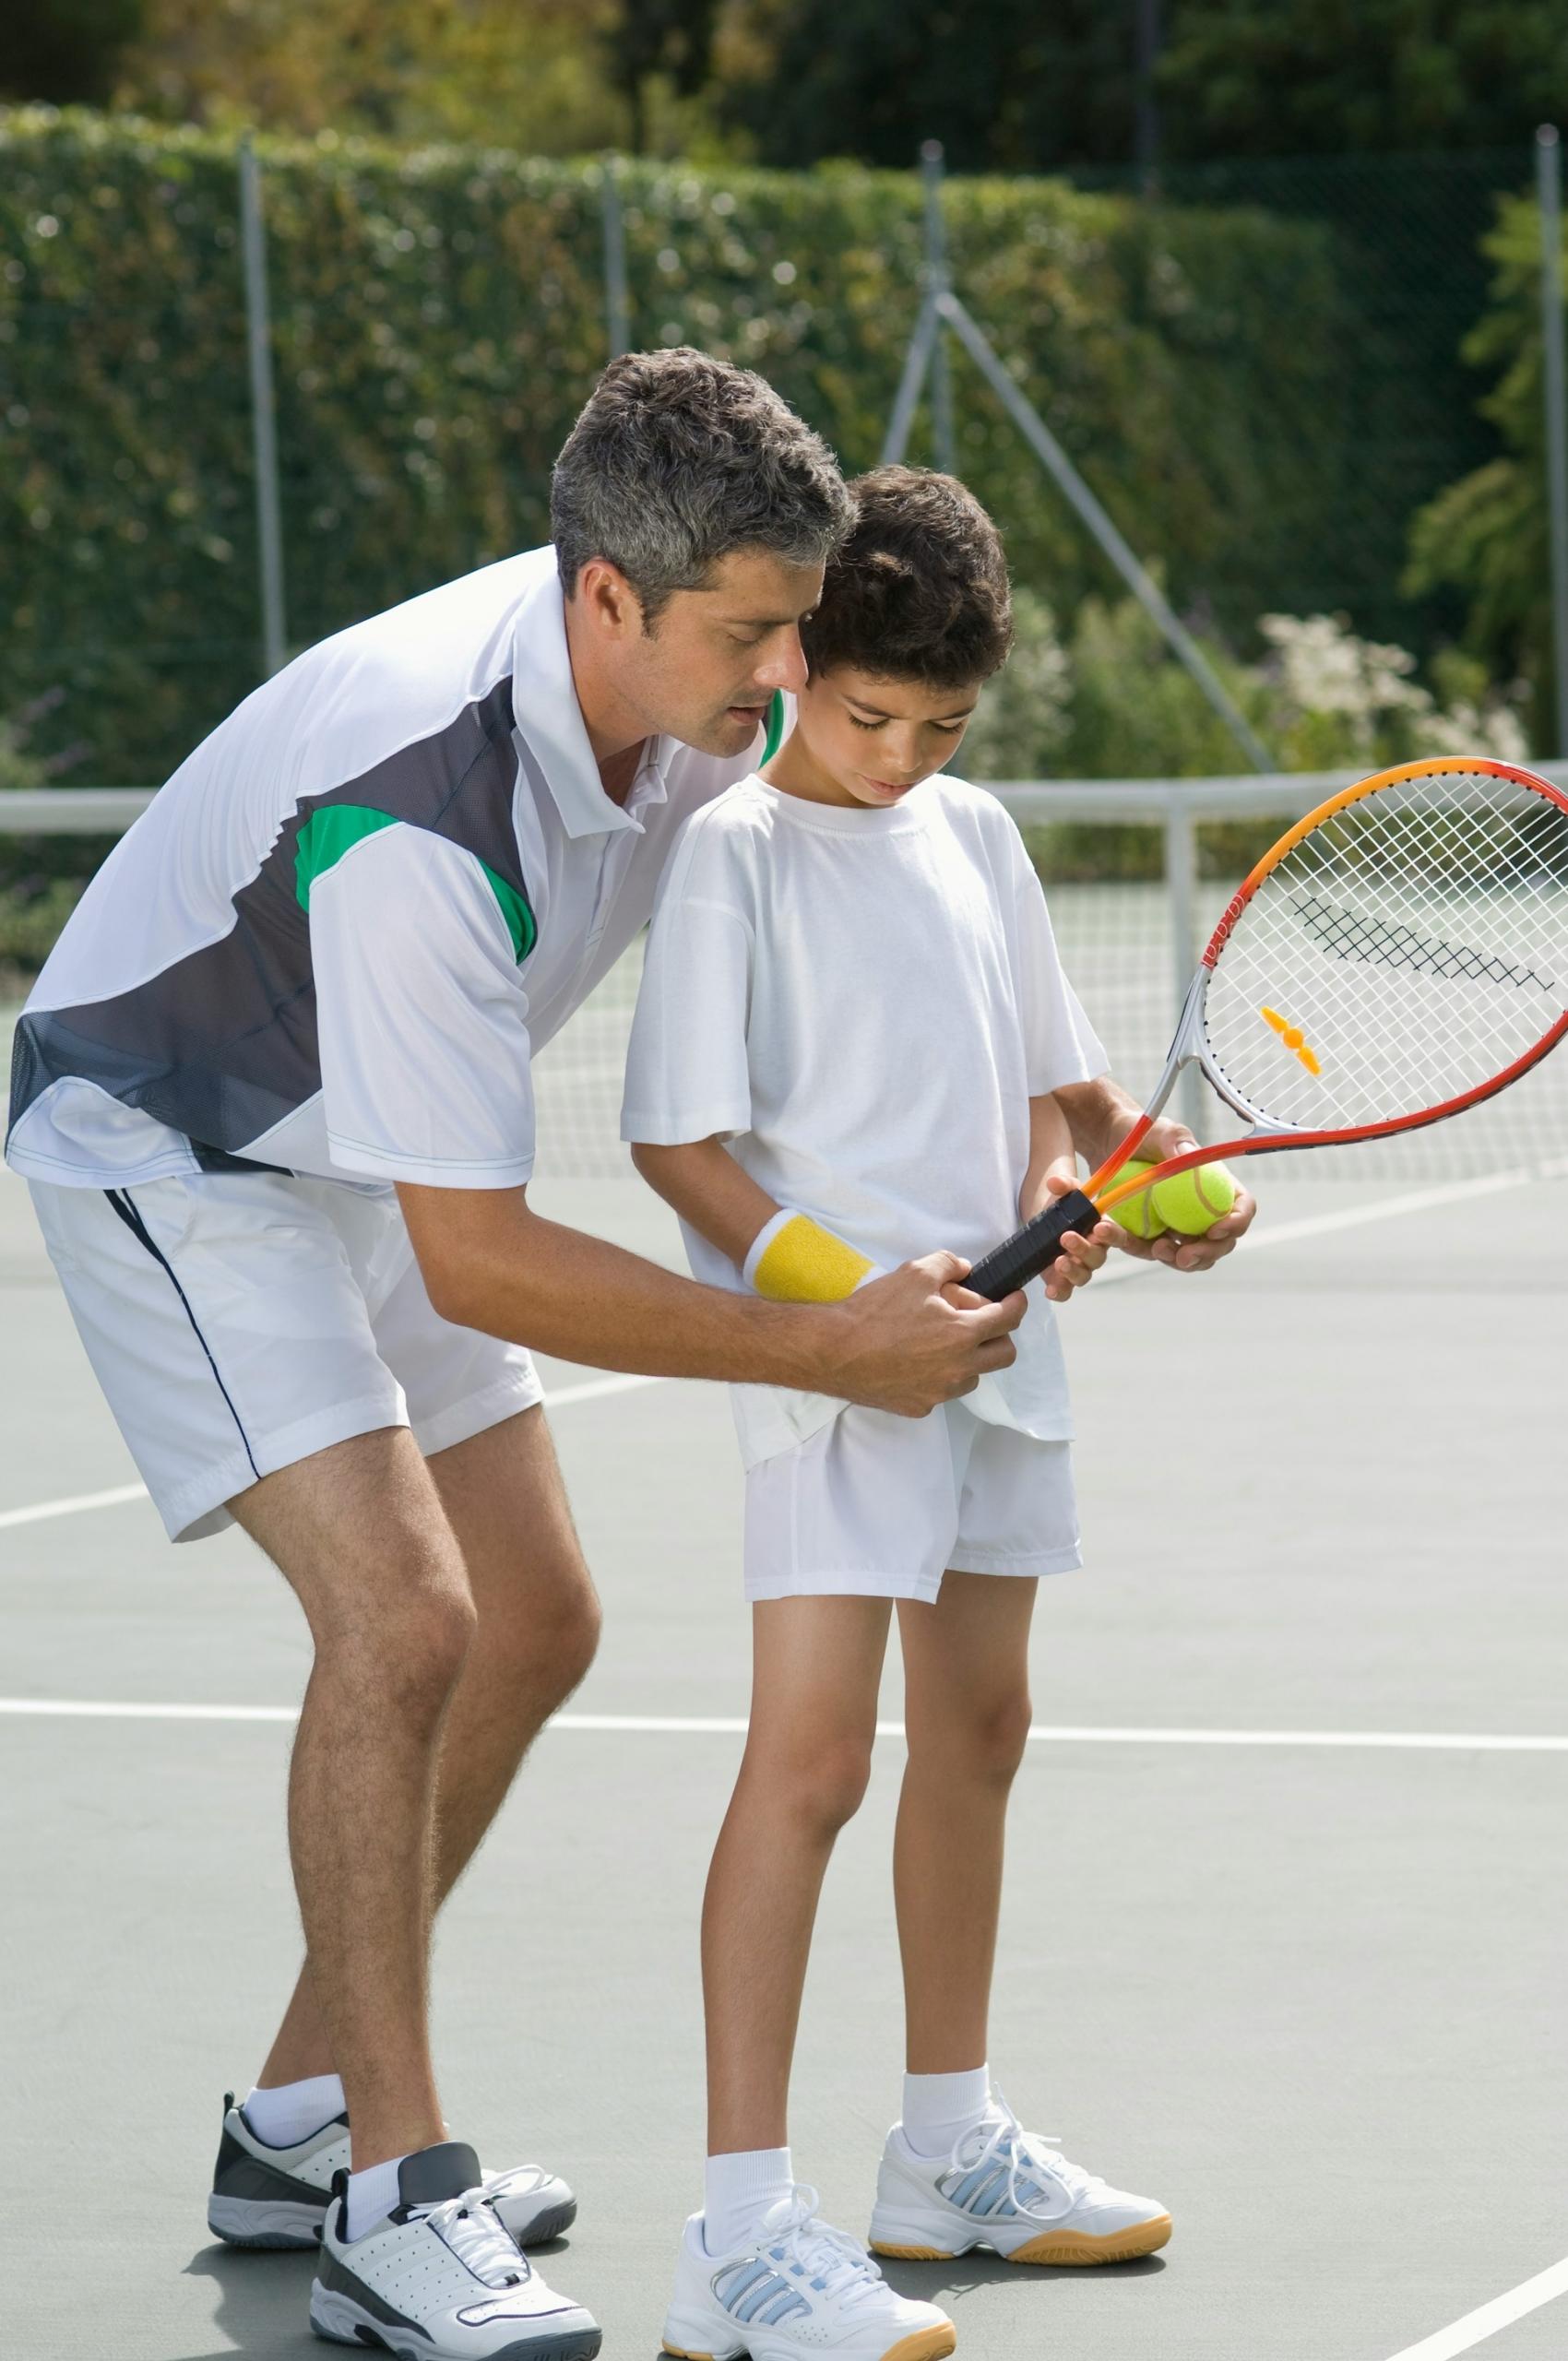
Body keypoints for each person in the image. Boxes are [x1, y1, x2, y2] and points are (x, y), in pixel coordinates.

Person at [5, 355, 1053, 2361]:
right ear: (605, 598)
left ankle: (294, 2116)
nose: (782, 671)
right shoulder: (424, 805)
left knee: (542, 1617)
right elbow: (478, 1257)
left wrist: (1040, 1144)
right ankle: (396, 2198)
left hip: (360, 1136)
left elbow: (854, 868)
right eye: (752, 633)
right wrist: (826, 1339)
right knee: (404, 1617)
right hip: (182, 1136)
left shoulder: (680, 688)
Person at [623, 468, 1231, 2361]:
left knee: (982, 1720)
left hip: (997, 1364)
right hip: (834, 1377)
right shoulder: (728, 852)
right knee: (810, 1763)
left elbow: (1071, 1092)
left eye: (938, 726)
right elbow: (676, 1143)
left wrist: (1152, 1184)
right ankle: (737, 2228)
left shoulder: (973, 832)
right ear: (797, 660)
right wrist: (838, 1309)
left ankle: (946, 2148)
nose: (896, 756)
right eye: (866, 714)